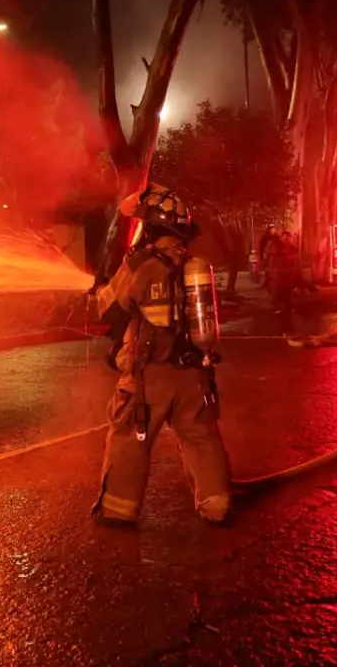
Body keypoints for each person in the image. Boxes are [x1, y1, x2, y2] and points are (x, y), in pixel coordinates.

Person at [93, 184, 232, 525]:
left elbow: (108, 309)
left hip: (149, 377)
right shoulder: (192, 266)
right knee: (201, 437)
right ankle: (217, 504)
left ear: (152, 228)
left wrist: (100, 288)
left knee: (130, 436)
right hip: (193, 373)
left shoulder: (141, 265)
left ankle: (117, 510)